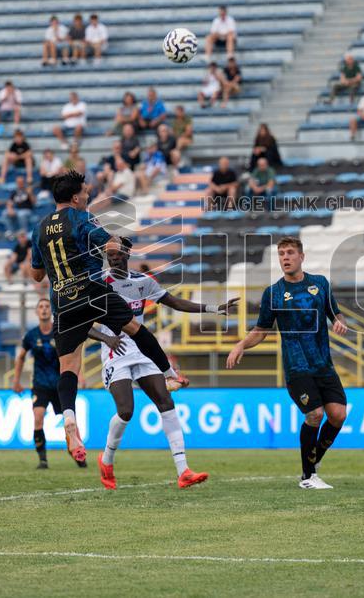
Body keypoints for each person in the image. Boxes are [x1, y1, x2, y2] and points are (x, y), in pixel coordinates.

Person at [28, 171, 188, 465]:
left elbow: (36, 273)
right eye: (86, 193)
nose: (88, 197)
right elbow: (112, 246)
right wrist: (114, 240)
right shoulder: (82, 218)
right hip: (91, 291)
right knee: (135, 328)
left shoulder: (38, 228)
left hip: (62, 302)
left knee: (69, 366)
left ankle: (69, 420)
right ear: (76, 197)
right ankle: (169, 375)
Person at [96, 238, 235, 489]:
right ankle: (106, 459)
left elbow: (175, 302)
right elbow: (80, 321)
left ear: (128, 253)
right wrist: (106, 337)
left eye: (117, 253)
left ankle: (183, 471)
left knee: (165, 401)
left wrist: (213, 308)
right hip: (114, 351)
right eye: (109, 254)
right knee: (126, 411)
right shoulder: (98, 283)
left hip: (142, 349)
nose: (113, 257)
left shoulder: (143, 282)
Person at [227, 237, 348, 489]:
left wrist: (339, 320)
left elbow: (335, 311)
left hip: (323, 364)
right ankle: (308, 477)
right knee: (315, 414)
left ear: (301, 257)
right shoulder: (273, 293)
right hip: (297, 367)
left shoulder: (320, 284)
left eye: (290, 252)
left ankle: (312, 464)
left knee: (337, 415)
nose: (285, 257)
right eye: (281, 253)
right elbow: (261, 330)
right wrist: (240, 345)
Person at [13, 299, 124, 468]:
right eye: (40, 307)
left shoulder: (59, 329)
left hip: (61, 383)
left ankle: (77, 453)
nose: (43, 309)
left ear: (50, 311)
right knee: (38, 417)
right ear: (36, 312)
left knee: (70, 420)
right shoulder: (31, 335)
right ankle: (43, 460)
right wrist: (16, 380)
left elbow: (74, 354)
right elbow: (20, 357)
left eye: (46, 306)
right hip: (40, 384)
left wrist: (80, 376)